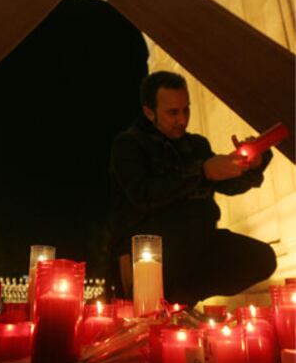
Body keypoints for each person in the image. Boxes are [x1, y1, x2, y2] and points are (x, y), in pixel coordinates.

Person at [109, 71, 276, 307]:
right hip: (154, 256)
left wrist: (251, 164)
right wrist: (202, 171)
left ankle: (181, 301)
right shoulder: (128, 145)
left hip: (201, 245)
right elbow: (143, 194)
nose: (182, 119)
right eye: (172, 112)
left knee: (261, 258)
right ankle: (172, 304)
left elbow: (228, 184)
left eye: (186, 109)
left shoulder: (196, 145)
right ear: (149, 112)